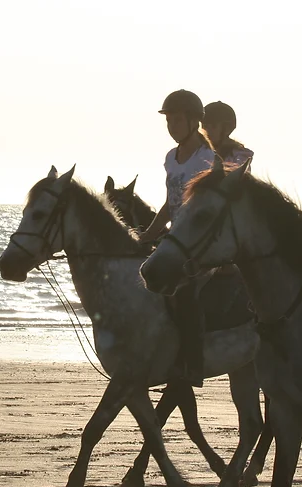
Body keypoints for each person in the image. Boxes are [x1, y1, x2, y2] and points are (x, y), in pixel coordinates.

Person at [137, 89, 217, 387]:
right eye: (168, 120)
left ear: (194, 121)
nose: (171, 125)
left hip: (197, 243)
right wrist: (149, 234)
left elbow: (202, 208)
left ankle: (192, 364)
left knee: (187, 292)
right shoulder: (171, 157)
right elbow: (170, 202)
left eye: (176, 120)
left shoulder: (206, 158)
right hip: (175, 239)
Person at [203, 101, 254, 166]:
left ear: (227, 129)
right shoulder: (197, 153)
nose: (207, 130)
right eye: (205, 126)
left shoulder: (238, 156)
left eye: (213, 126)